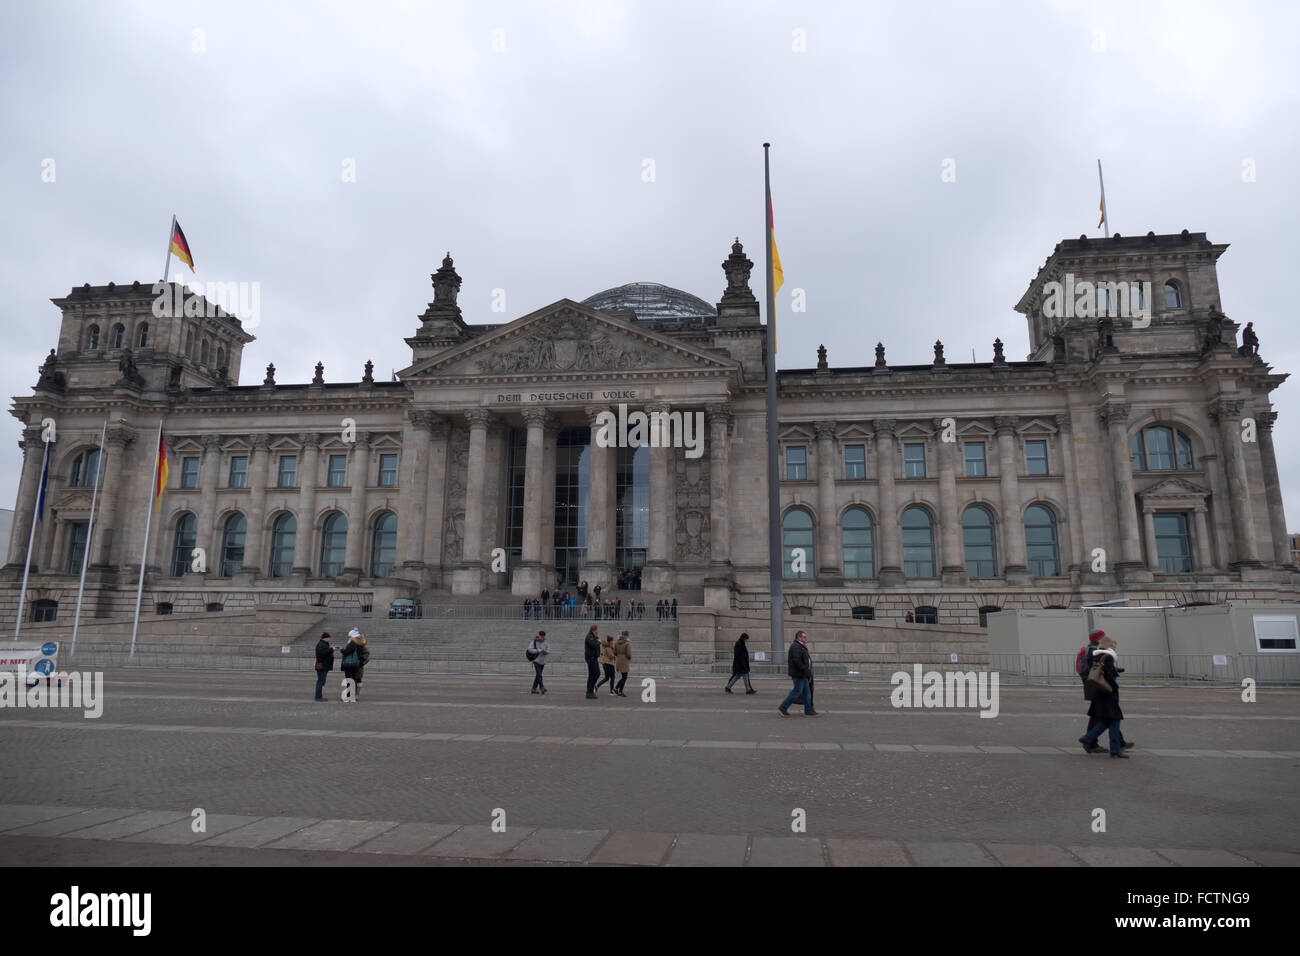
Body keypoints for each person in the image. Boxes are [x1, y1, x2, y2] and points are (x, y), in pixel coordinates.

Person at [1079, 637, 1127, 758]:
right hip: (1108, 692)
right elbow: (1108, 675)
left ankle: (1090, 739)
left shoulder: (1097, 656)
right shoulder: (1108, 657)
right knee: (1114, 719)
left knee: (1109, 720)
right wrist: (1115, 677)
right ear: (1108, 645)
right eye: (1114, 646)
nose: (1115, 648)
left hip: (1099, 691)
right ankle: (1111, 748)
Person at [779, 630, 818, 717]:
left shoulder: (801, 646)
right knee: (797, 692)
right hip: (799, 674)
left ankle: (808, 710)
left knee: (807, 693)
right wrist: (805, 670)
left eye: (805, 637)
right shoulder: (796, 646)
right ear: (799, 637)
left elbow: (805, 659)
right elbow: (797, 661)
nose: (805, 638)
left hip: (803, 674)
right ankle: (783, 707)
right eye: (804, 637)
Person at [340, 627, 370, 702]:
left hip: (351, 664)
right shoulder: (361, 643)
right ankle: (354, 695)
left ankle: (350, 696)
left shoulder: (353, 643)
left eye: (350, 636)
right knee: (355, 680)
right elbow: (366, 653)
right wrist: (361, 660)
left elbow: (346, 652)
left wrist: (342, 650)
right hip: (357, 664)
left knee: (350, 680)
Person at [314, 632, 334, 701]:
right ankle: (318, 697)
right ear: (325, 638)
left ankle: (319, 696)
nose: (329, 639)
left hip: (323, 665)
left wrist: (331, 649)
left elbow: (325, 652)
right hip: (322, 665)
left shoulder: (323, 644)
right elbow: (323, 654)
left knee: (321, 681)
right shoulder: (321, 645)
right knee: (320, 681)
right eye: (329, 638)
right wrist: (332, 649)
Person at [584, 625, 602, 699]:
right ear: (594, 630)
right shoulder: (589, 637)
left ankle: (589, 692)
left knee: (592, 675)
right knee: (596, 673)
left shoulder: (594, 637)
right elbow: (594, 645)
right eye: (597, 630)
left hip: (594, 658)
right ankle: (590, 690)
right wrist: (599, 642)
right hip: (591, 658)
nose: (598, 631)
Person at [528, 630, 549, 694]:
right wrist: (537, 651)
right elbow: (529, 649)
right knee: (539, 674)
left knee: (538, 675)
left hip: (542, 661)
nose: (542, 637)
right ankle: (541, 687)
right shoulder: (534, 641)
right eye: (541, 636)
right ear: (539, 635)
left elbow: (548, 650)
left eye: (543, 636)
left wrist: (545, 652)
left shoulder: (546, 642)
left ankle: (533, 689)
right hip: (536, 660)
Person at [614, 630, 632, 697]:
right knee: (625, 677)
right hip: (624, 661)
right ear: (627, 635)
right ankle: (620, 691)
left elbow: (614, 652)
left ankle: (616, 688)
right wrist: (629, 658)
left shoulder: (616, 643)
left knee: (623, 676)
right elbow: (628, 654)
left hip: (619, 660)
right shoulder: (627, 643)